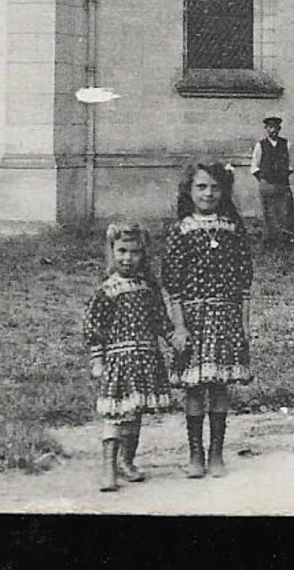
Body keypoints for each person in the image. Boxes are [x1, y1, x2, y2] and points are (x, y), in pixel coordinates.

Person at [162, 161, 253, 479]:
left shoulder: (233, 228)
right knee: (193, 386)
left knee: (218, 385)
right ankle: (195, 454)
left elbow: (244, 282)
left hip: (225, 316)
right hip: (192, 318)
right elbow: (172, 284)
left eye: (215, 187)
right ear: (189, 191)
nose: (208, 193)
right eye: (201, 186)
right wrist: (179, 326)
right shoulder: (181, 230)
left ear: (224, 191)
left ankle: (216, 452)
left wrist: (242, 324)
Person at [83, 222, 175, 492]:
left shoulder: (148, 288)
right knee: (115, 414)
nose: (127, 258)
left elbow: (160, 320)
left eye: (135, 252)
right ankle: (108, 468)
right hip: (118, 363)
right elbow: (93, 327)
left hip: (145, 359)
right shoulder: (107, 290)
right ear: (111, 251)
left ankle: (127, 461)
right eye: (122, 251)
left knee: (134, 414)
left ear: (143, 255)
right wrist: (97, 360)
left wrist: (174, 339)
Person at [249, 116, 294, 245]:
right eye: (270, 127)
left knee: (285, 210)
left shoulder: (287, 144)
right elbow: (254, 166)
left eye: (275, 127)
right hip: (266, 184)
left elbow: (291, 165)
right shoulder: (260, 145)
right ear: (266, 129)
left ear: (279, 129)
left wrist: (283, 176)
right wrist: (263, 179)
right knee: (268, 211)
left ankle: (285, 238)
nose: (273, 130)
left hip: (282, 183)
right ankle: (270, 240)